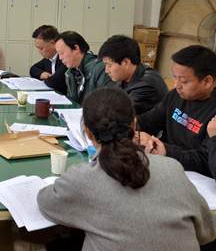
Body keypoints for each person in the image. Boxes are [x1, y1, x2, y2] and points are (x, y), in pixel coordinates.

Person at [37, 86, 216, 251]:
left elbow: (46, 203)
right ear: (133, 124)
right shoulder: (173, 168)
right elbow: (208, 232)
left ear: (87, 131)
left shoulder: (82, 178)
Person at [136, 45, 216, 176]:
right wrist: (129, 125)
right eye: (174, 77)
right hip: (166, 164)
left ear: (207, 81)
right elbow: (149, 120)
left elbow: (204, 159)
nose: (176, 85)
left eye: (184, 81)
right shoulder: (175, 95)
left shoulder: (212, 111)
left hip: (194, 175)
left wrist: (166, 151)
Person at [98, 35, 169, 115]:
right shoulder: (124, 77)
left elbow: (120, 114)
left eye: (109, 65)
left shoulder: (145, 86)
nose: (107, 70)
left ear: (126, 62)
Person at [55, 31, 113, 104]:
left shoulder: (99, 68)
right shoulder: (69, 73)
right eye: (58, 54)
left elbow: (108, 103)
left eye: (62, 53)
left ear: (76, 48)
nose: (60, 58)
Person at [29, 25, 67, 95]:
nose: (39, 52)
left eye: (41, 48)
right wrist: (43, 74)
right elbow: (33, 69)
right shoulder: (48, 59)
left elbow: (54, 82)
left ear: (53, 44)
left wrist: (47, 80)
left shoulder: (64, 59)